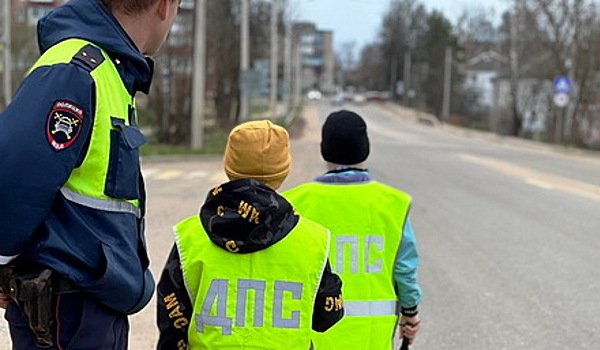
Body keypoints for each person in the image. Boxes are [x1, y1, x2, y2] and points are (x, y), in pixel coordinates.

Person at [0, 0, 179, 348]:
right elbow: (14, 173)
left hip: (87, 301)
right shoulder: (76, 69)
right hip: (64, 307)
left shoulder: (108, 69)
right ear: (164, 5)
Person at [156, 120, 344, 350]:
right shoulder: (314, 241)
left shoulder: (189, 237)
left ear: (228, 165)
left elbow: (172, 323)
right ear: (284, 170)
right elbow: (327, 317)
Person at [282, 110, 422, 349]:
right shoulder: (392, 204)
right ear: (364, 148)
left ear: (324, 149)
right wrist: (410, 313)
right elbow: (404, 269)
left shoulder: (295, 202)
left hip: (312, 336)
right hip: (371, 338)